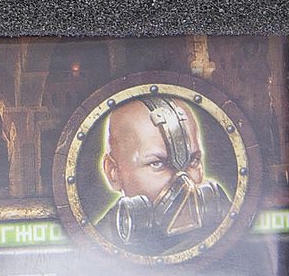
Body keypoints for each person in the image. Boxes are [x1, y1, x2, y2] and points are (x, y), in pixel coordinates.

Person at [94, 91, 233, 255]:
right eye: (157, 164)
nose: (185, 183)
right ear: (113, 173)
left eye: (193, 161)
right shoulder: (95, 247)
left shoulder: (228, 234)